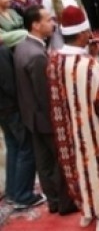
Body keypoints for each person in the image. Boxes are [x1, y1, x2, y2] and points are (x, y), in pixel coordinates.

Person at [46, 6, 99, 229]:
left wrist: (92, 55)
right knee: (98, 168)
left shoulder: (55, 60)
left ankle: (88, 210)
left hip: (68, 127)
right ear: (83, 34)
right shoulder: (89, 65)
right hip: (92, 127)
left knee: (78, 169)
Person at [13, 5, 77, 215]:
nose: (53, 23)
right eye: (48, 20)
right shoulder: (37, 56)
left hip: (31, 116)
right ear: (35, 24)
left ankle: (54, 201)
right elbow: (45, 95)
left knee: (44, 162)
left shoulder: (23, 46)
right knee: (58, 162)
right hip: (45, 117)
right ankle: (64, 203)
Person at [0, 34, 45, 211]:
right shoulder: (2, 51)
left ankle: (13, 191)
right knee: (26, 148)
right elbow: (9, 84)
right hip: (11, 108)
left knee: (14, 148)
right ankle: (23, 194)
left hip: (3, 108)